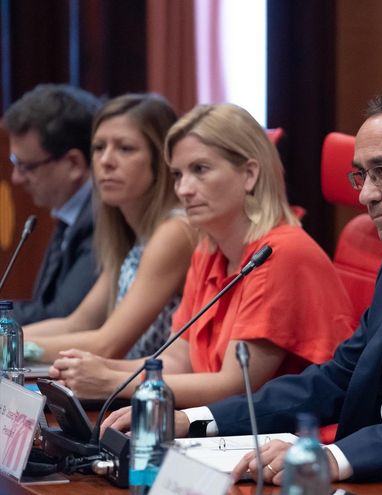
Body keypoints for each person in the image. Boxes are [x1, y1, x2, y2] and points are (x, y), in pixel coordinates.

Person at [103, 86, 382, 482]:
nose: (366, 195)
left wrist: (333, 456)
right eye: (361, 175)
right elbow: (336, 378)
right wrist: (191, 421)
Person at [55, 103, 356, 408]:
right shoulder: (209, 248)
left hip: (295, 438)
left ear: (249, 174)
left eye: (200, 169)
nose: (183, 189)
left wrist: (110, 381)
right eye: (177, 174)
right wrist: (97, 368)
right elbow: (178, 359)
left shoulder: (280, 253)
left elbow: (234, 386)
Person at [24, 94, 195, 363]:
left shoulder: (174, 231)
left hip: (156, 398)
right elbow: (77, 324)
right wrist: (11, 337)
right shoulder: (128, 236)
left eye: (125, 148)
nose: (106, 161)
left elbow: (108, 344)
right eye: (99, 147)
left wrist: (12, 348)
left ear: (162, 160)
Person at [4, 84, 100, 324]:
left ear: (73, 163)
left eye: (27, 166)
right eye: (14, 162)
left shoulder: (103, 219)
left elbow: (60, 315)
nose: (16, 178)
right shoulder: (68, 213)